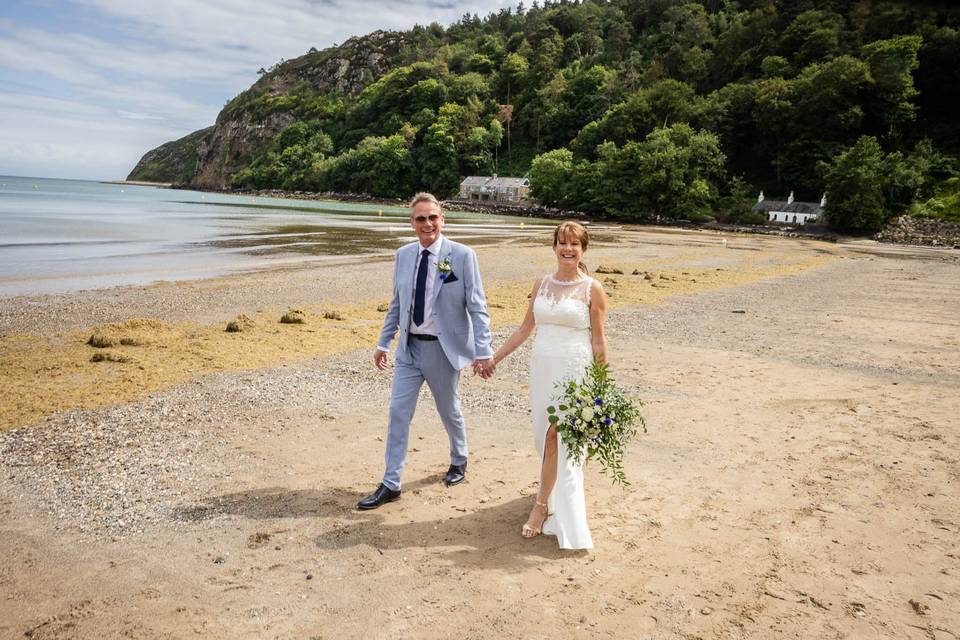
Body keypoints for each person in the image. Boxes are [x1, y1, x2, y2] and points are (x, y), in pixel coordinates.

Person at [358, 193, 495, 510]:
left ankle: (459, 460)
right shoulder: (404, 255)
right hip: (409, 350)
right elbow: (397, 303)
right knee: (397, 413)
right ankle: (391, 483)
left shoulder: (460, 256)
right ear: (412, 223)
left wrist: (483, 351)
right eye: (421, 218)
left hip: (443, 352)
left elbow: (477, 307)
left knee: (449, 411)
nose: (427, 224)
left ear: (442, 219)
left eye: (433, 217)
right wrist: (383, 342)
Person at [492, 221, 607, 549]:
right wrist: (493, 358)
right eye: (562, 243)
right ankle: (552, 493)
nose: (568, 249)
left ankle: (541, 507)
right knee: (544, 437)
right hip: (543, 370)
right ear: (554, 246)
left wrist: (600, 389)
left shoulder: (592, 289)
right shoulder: (541, 283)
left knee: (558, 436)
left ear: (583, 250)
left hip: (575, 371)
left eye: (575, 245)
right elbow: (525, 328)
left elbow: (599, 341)